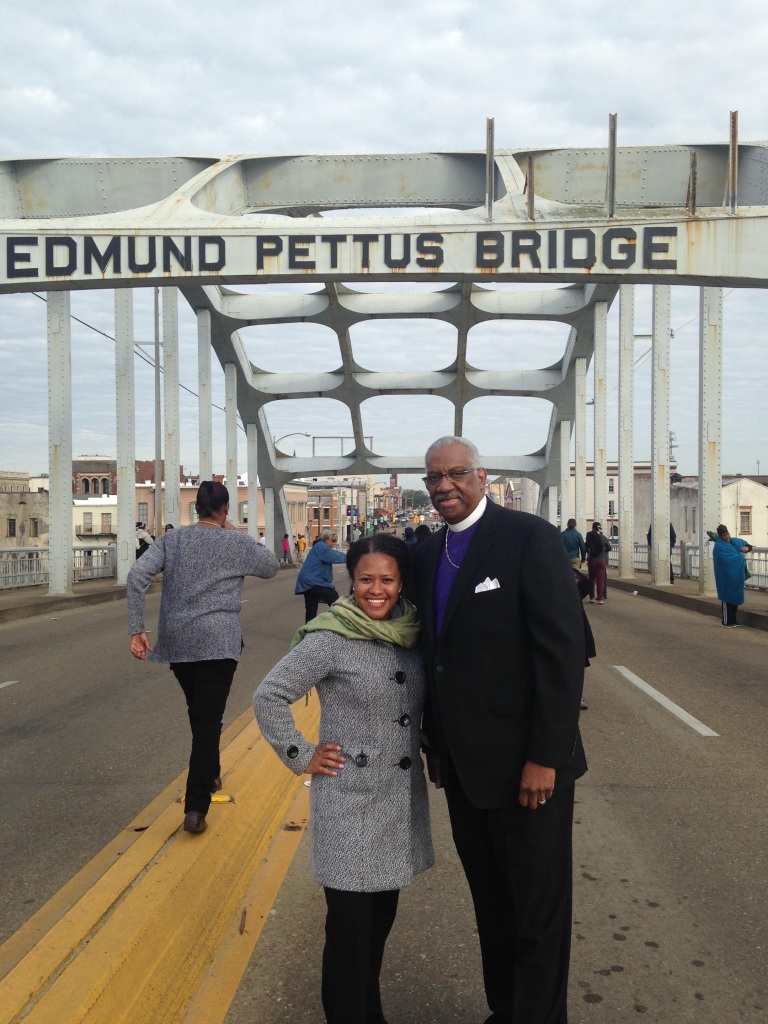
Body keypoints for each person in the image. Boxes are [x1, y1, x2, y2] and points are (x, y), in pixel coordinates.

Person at [410, 436, 586, 1024]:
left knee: (537, 912)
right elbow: (434, 658)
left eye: (456, 474)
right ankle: (505, 1010)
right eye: (434, 478)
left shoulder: (527, 539)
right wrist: (434, 742)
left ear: (481, 477)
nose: (444, 487)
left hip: (527, 769)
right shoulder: (427, 554)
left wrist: (547, 757)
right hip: (463, 770)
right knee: (491, 905)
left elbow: (560, 656)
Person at [254, 534, 433, 1024]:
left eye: (387, 580)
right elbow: (268, 695)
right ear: (351, 582)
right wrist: (302, 754)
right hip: (349, 805)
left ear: (401, 583)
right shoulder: (330, 637)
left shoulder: (414, 631)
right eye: (366, 580)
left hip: (396, 804)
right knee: (350, 932)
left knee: (377, 927)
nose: (377, 590)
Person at [127, 481, 280, 834]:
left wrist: (137, 627)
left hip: (179, 642)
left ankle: (210, 774)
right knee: (207, 720)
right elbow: (271, 567)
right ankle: (196, 808)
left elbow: (137, 576)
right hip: (218, 642)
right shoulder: (236, 541)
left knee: (201, 714)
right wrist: (232, 529)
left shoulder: (171, 540)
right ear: (225, 509)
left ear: (196, 508)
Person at [295, 528, 347, 623]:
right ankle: (341, 622)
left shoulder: (319, 546)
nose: (334, 543)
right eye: (333, 540)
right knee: (333, 596)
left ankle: (307, 632)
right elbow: (334, 556)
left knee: (311, 608)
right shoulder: (322, 547)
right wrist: (351, 556)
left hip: (307, 581)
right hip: (312, 581)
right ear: (326, 539)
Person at [709, 524, 753, 626]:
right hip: (725, 577)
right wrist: (740, 556)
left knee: (735, 598)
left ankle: (733, 620)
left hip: (735, 576)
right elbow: (726, 560)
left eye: (727, 534)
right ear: (720, 536)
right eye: (724, 535)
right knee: (726, 598)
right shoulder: (719, 547)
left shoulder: (735, 542)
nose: (727, 537)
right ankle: (726, 621)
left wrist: (746, 548)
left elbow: (748, 545)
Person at [585, 521, 611, 603]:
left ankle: (592, 597)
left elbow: (585, 547)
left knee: (591, 579)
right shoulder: (603, 537)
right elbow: (609, 548)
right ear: (599, 529)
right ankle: (600, 598)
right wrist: (603, 552)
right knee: (600, 579)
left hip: (592, 560)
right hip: (601, 561)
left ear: (592, 528)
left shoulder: (590, 536)